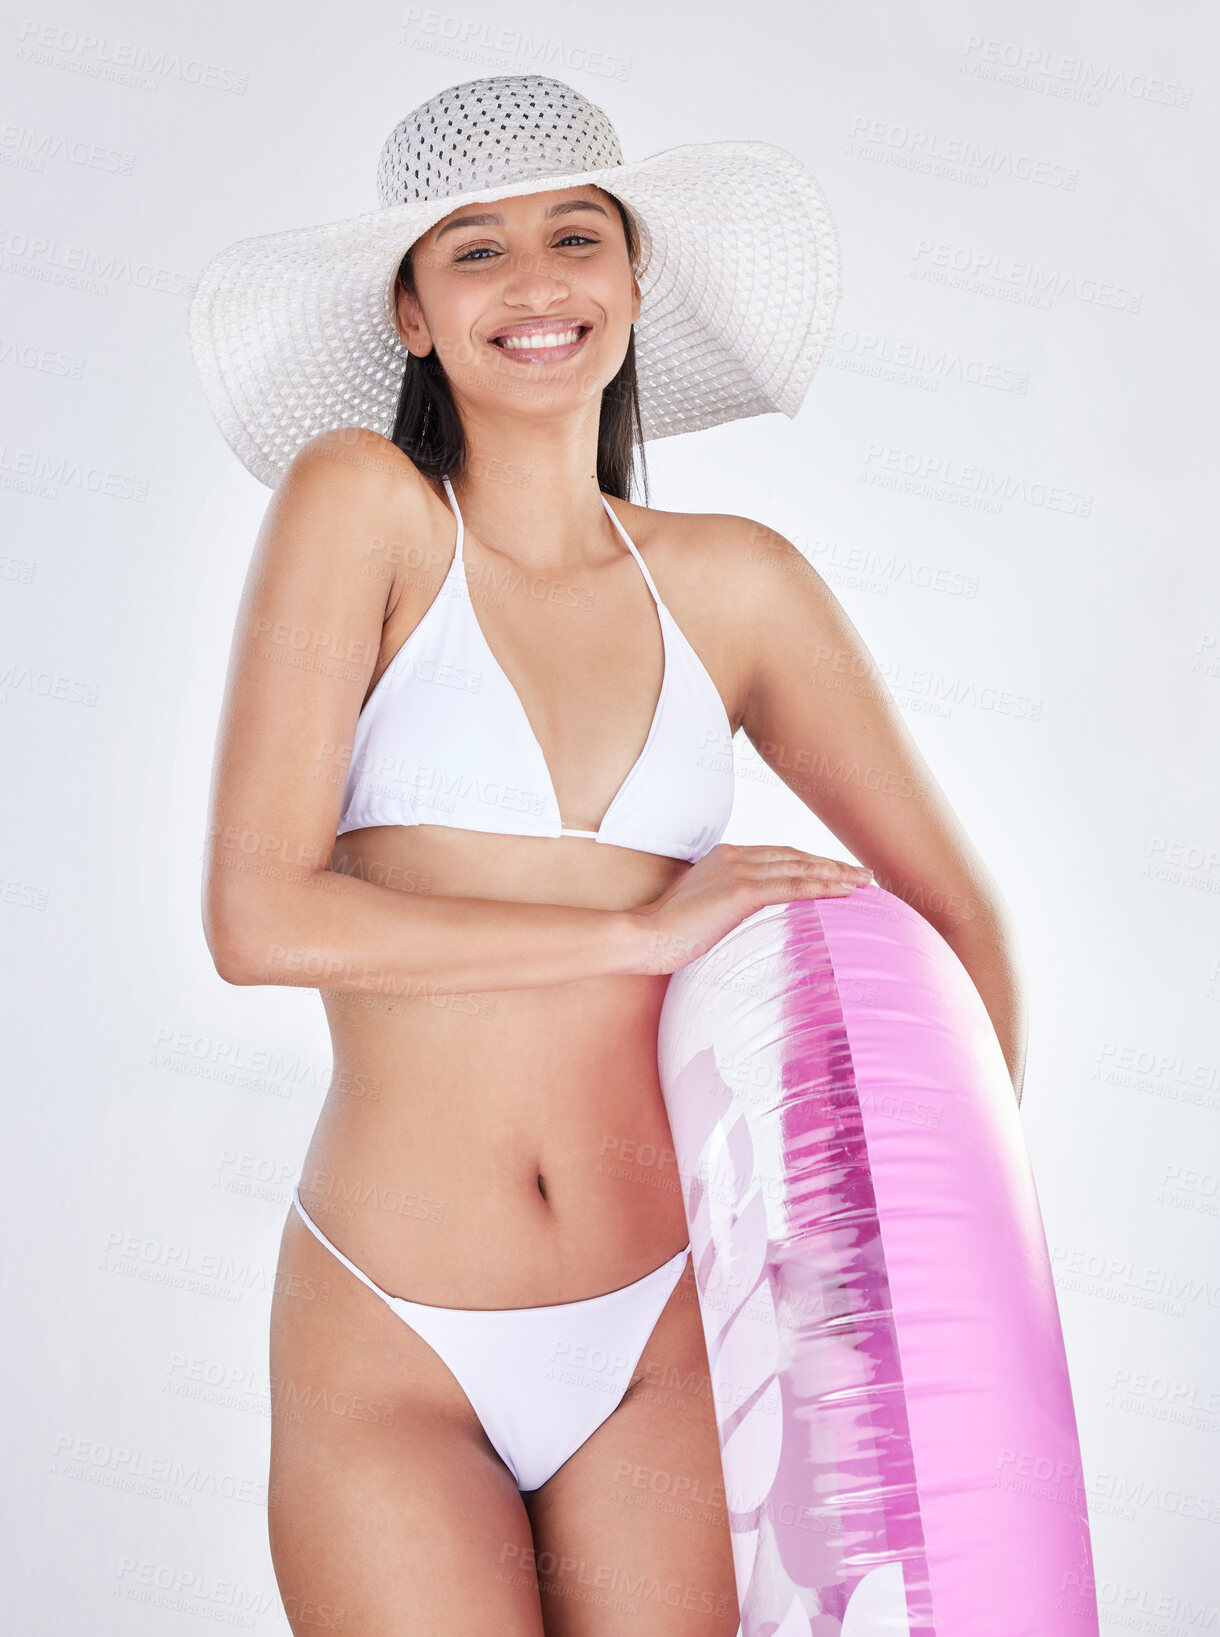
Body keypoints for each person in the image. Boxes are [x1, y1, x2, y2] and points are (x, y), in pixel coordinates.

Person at [189, 73, 1025, 1636]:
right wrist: (637, 931)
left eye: (576, 235)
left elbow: (953, 909)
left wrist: (950, 1262)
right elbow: (257, 915)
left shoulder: (741, 586)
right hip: (395, 1326)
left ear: (635, 280)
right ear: (414, 315)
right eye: (475, 251)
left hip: (664, 1326)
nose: (536, 283)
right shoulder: (361, 508)